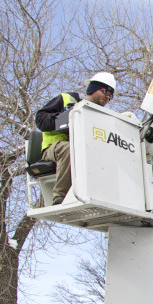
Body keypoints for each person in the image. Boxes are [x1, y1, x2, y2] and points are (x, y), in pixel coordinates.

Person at [34, 72, 117, 205]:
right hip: (55, 148)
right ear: (94, 88)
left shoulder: (97, 115)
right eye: (106, 91)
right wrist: (63, 119)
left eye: (111, 95)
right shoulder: (67, 99)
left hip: (81, 149)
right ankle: (60, 196)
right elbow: (40, 119)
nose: (108, 97)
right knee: (70, 149)